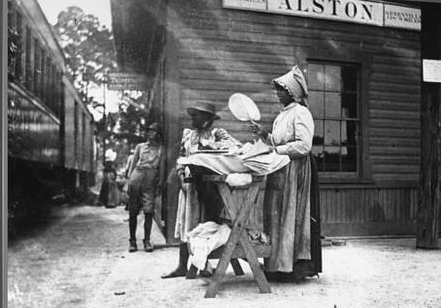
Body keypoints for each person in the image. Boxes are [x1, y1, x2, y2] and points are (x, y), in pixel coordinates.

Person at [251, 66, 322, 282]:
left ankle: (294, 267)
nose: (278, 94)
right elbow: (279, 142)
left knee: (292, 215)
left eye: (281, 90)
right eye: (278, 90)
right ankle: (275, 266)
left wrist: (277, 150)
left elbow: (303, 146)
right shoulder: (282, 115)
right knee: (276, 213)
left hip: (296, 170)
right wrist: (265, 135)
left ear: (291, 92)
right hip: (279, 168)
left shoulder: (301, 113)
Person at [161, 101, 238, 278]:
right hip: (189, 184)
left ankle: (204, 265)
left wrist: (211, 146)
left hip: (209, 185)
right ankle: (181, 265)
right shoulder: (188, 134)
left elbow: (235, 147)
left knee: (204, 224)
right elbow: (181, 156)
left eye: (196, 115)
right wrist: (180, 175)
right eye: (192, 115)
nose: (193, 119)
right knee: (186, 222)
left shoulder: (217, 133)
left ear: (207, 118)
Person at [127, 123, 165, 253]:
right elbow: (132, 165)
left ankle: (147, 240)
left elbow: (161, 168)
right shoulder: (140, 147)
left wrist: (160, 183)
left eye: (154, 132)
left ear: (158, 135)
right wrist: (129, 181)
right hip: (137, 176)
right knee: (133, 211)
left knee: (149, 211)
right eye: (149, 131)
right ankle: (132, 241)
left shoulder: (160, 149)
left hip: (150, 179)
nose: (151, 134)